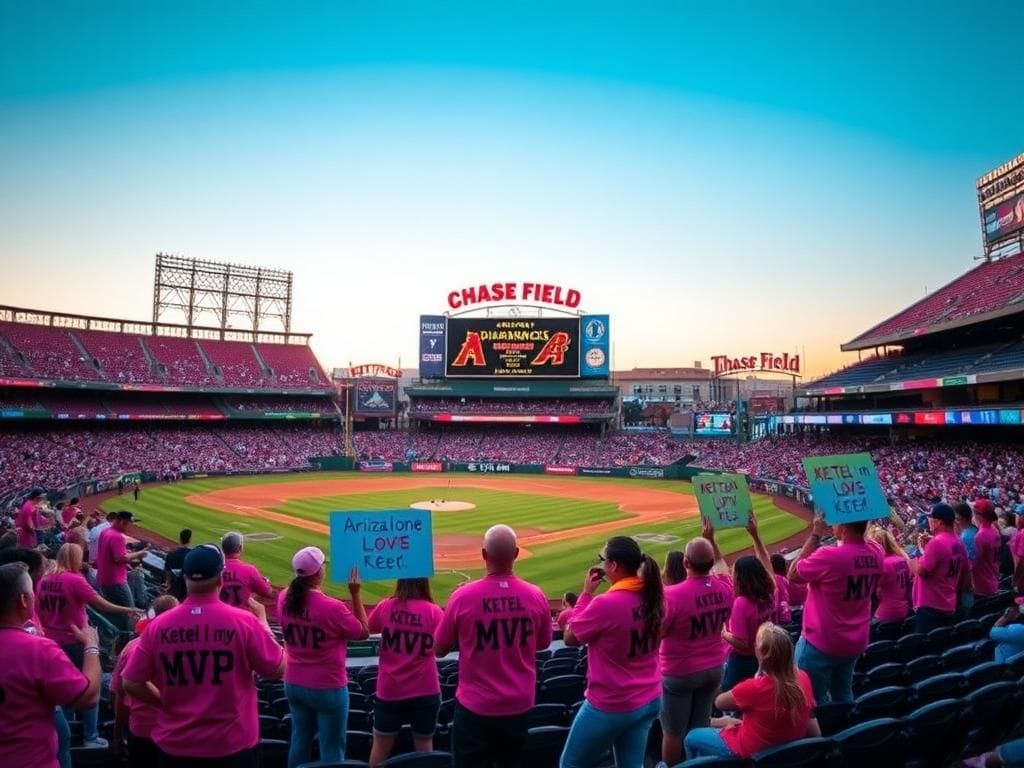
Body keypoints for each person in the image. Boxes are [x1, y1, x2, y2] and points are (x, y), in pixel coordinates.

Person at [122, 544, 285, 767]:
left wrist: (164, 703)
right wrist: (264, 623)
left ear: (186, 578)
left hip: (176, 746)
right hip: (232, 746)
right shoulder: (243, 621)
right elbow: (276, 670)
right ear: (221, 579)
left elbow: (131, 682)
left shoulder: (158, 626)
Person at [434, 525, 553, 768]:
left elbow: (439, 648)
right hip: (520, 705)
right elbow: (543, 643)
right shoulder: (536, 595)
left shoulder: (463, 596)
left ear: (484, 554)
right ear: (517, 553)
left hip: (475, 708)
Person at [560, 536, 663, 768]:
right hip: (649, 698)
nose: (603, 565)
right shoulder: (656, 596)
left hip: (613, 703)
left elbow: (570, 637)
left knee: (569, 765)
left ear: (614, 566)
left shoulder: (605, 604)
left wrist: (586, 594)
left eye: (603, 560)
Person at [0, 562, 103, 768]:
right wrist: (91, 647)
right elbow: (88, 698)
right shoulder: (38, 649)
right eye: (31, 592)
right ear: (22, 600)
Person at [37, 543, 140, 748]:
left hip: (50, 641)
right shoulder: (75, 580)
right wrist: (128, 608)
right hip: (76, 641)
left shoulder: (43, 580)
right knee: (89, 688)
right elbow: (100, 604)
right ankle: (90, 737)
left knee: (65, 690)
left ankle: (66, 733)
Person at [278, 547, 369, 768]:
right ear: (318, 573)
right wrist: (355, 593)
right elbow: (363, 632)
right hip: (327, 686)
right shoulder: (332, 608)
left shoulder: (283, 598)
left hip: (294, 683)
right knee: (332, 749)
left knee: (299, 741)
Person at [683, 623, 819, 761]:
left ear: (761, 652)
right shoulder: (803, 677)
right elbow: (812, 723)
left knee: (691, 737)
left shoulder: (754, 687)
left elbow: (719, 702)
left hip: (750, 753)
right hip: (786, 753)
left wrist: (724, 721)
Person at [659, 521, 734, 767]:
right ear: (710, 564)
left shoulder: (672, 595)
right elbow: (723, 568)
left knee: (673, 732)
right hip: (714, 668)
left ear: (685, 563)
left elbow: (657, 634)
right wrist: (711, 539)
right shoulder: (725, 587)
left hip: (679, 672)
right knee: (699, 727)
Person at [788, 514, 883, 705]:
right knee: (843, 694)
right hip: (855, 641)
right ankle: (848, 731)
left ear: (844, 527)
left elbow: (793, 574)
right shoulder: (876, 552)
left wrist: (816, 534)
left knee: (813, 701)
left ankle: (826, 734)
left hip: (822, 642)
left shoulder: (829, 556)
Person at [367, 577, 444, 767]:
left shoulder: (386, 606)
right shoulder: (434, 611)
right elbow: (442, 649)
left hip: (390, 690)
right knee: (425, 747)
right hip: (426, 689)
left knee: (380, 748)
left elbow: (367, 628)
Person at [111, 595, 180, 768]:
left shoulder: (132, 647)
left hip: (143, 731)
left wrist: (118, 734)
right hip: (178, 731)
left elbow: (120, 698)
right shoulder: (189, 648)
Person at [721, 519, 777, 692]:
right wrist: (755, 536)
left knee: (731, 696)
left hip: (744, 660)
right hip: (767, 653)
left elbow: (742, 643)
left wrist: (724, 633)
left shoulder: (742, 603)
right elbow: (765, 563)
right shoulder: (771, 592)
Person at [912, 502, 972, 633]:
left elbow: (921, 571)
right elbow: (966, 574)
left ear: (938, 522)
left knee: (927, 648)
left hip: (931, 607)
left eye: (931, 519)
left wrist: (915, 554)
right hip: (949, 603)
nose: (930, 522)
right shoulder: (958, 541)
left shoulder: (937, 543)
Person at [97, 511, 148, 626]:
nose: (130, 526)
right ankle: (127, 638)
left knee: (115, 611)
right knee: (130, 612)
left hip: (104, 578)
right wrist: (139, 553)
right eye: (129, 524)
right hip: (116, 581)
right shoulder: (117, 537)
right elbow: (120, 558)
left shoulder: (105, 532)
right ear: (121, 522)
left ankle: (118, 637)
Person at [867, 526, 913, 626]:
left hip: (887, 613)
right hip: (904, 607)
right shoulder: (901, 558)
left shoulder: (884, 564)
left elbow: (873, 592)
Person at [220, 532, 272, 608]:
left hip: (219, 613)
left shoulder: (214, 568)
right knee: (260, 609)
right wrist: (265, 581)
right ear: (240, 548)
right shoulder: (249, 570)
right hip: (241, 616)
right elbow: (267, 591)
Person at [974, 499, 1003, 599]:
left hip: (982, 587)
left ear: (979, 515)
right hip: (993, 580)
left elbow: (972, 563)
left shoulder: (981, 536)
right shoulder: (994, 530)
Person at [163, 529, 192, 600]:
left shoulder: (171, 553)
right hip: (185, 586)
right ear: (190, 540)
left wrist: (168, 582)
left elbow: (168, 570)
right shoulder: (191, 554)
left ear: (180, 538)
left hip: (174, 584)